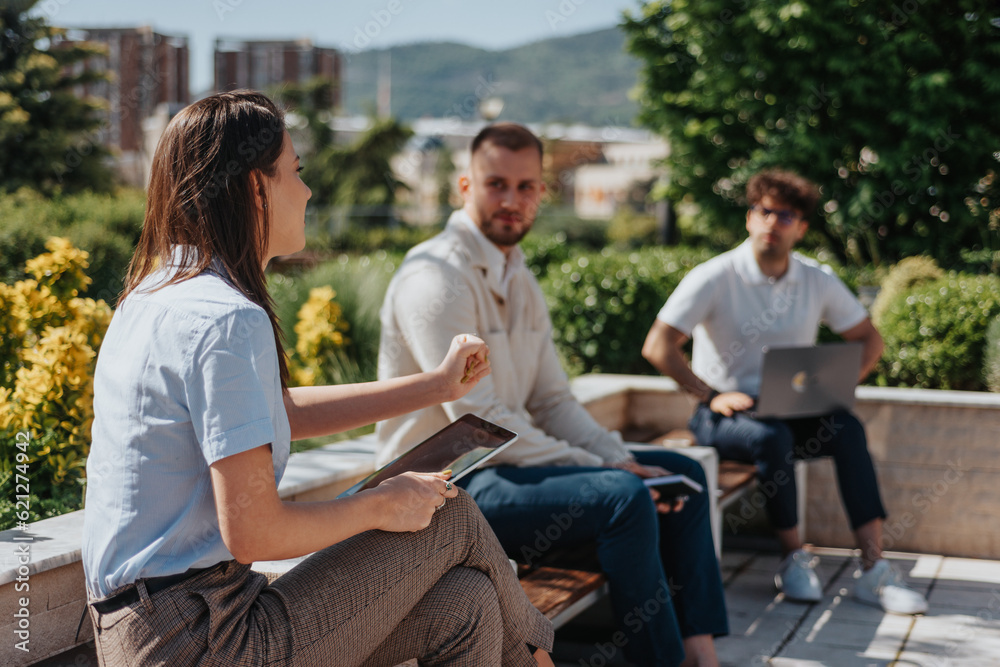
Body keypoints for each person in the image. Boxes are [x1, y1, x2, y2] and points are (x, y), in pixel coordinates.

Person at [81, 91, 555, 667]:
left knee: (467, 605)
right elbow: (253, 532)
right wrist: (383, 505)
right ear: (256, 188)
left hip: (165, 626)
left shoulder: (156, 295)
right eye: (295, 172)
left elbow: (279, 411)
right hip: (201, 640)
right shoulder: (226, 318)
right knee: (449, 510)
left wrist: (435, 387)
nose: (306, 192)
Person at [376, 123, 728, 667]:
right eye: (496, 184)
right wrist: (605, 469)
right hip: (449, 488)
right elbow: (482, 423)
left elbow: (553, 401)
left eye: (525, 187)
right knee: (623, 497)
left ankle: (702, 656)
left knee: (684, 478)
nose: (511, 201)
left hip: (512, 470)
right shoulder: (436, 277)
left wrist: (617, 456)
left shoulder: (521, 277)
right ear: (465, 187)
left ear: (542, 192)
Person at [641, 169, 928, 615]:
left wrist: (836, 386)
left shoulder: (816, 279)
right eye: (764, 211)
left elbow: (870, 340)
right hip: (722, 416)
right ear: (750, 218)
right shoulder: (714, 276)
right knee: (770, 437)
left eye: (786, 215)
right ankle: (794, 559)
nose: (773, 222)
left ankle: (874, 570)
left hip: (791, 411)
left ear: (802, 227)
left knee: (847, 428)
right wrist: (710, 394)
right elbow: (657, 346)